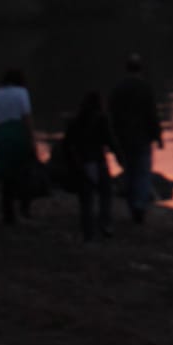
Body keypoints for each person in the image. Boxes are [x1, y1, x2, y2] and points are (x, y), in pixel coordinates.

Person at [109, 53, 164, 225]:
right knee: (142, 172)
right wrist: (158, 136)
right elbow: (151, 115)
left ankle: (133, 206)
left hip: (124, 138)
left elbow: (112, 116)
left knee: (130, 173)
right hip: (142, 138)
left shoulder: (117, 89)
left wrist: (112, 140)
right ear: (140, 69)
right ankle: (140, 205)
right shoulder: (145, 88)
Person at [0, 68, 40, 224]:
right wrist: (32, 139)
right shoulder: (21, 93)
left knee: (6, 174)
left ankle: (8, 211)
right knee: (24, 171)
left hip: (1, 134)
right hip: (18, 133)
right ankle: (24, 207)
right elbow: (27, 117)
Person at [64, 91, 117, 241]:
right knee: (105, 194)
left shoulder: (74, 121)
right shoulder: (102, 119)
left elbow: (67, 144)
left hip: (82, 164)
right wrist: (119, 156)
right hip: (98, 162)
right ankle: (105, 223)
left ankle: (88, 231)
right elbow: (110, 140)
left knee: (86, 200)